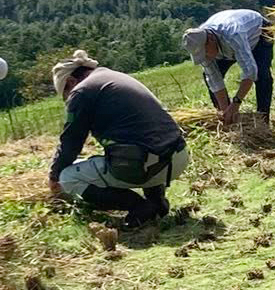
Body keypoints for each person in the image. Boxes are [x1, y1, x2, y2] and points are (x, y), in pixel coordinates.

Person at [47, 50, 189, 228]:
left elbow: (71, 142)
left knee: (67, 177)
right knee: (137, 145)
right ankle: (157, 201)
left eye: (65, 95)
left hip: (146, 163)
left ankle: (139, 206)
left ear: (70, 82)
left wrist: (54, 177)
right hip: (178, 157)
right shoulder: (112, 77)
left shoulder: (81, 92)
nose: (68, 100)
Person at [184, 9, 273, 126]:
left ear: (210, 40)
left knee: (262, 76)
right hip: (226, 46)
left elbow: (250, 72)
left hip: (259, 32)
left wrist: (236, 103)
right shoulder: (198, 42)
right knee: (208, 76)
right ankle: (227, 117)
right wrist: (226, 110)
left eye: (205, 52)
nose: (205, 57)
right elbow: (214, 81)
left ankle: (263, 120)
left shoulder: (233, 35)